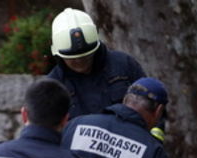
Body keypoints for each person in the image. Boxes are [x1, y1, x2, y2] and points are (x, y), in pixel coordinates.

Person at [47, 8, 158, 138]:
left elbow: (153, 106)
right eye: (73, 58)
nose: (79, 61)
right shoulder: (52, 87)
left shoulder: (124, 65)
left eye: (85, 56)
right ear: (59, 55)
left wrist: (153, 141)